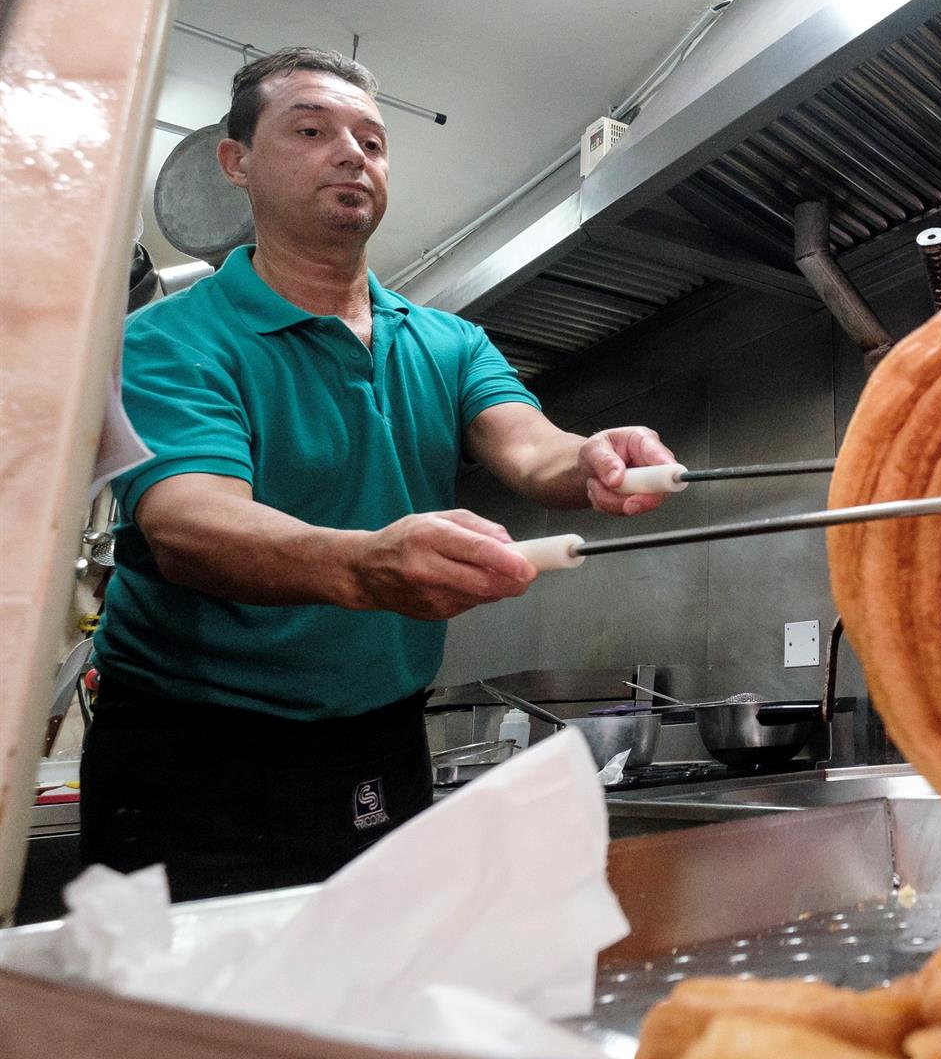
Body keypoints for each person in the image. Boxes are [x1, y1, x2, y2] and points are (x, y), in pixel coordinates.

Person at [83, 47, 674, 899]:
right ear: (236, 162)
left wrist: (593, 456)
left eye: (371, 139)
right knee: (200, 1020)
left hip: (382, 739)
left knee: (374, 994)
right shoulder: (167, 341)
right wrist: (365, 565)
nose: (352, 153)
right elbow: (190, 528)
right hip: (195, 750)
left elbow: (530, 446)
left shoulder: (447, 342)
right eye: (313, 130)